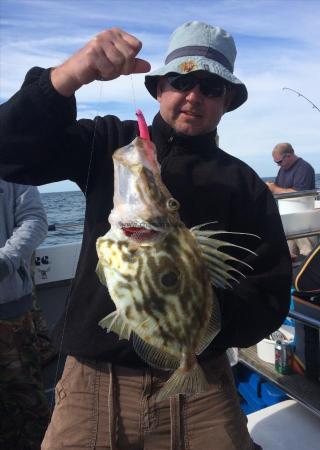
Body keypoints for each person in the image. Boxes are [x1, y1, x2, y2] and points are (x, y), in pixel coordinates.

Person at [0, 21, 292, 450]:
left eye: (211, 87)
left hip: (203, 383)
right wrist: (66, 77)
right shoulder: (111, 142)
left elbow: (268, 294)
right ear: (158, 88)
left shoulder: (244, 182)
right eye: (182, 81)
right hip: (93, 381)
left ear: (227, 100)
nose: (194, 95)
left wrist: (195, 315)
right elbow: (10, 154)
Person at [0, 179, 49, 450]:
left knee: (29, 406)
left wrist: (7, 260)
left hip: (10, 315)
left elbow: (35, 219)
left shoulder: (12, 169)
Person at [266, 142, 316, 258]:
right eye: (276, 162)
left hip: (303, 221)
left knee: (308, 253)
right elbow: (279, 188)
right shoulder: (283, 169)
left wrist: (274, 188)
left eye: (279, 162)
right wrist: (272, 188)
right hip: (288, 221)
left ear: (288, 156)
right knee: (289, 255)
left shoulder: (304, 168)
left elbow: (300, 193)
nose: (278, 165)